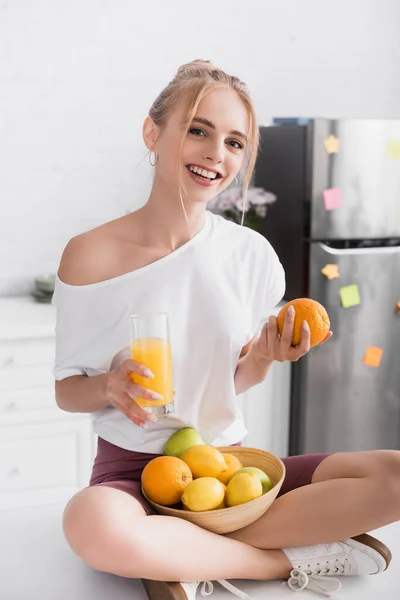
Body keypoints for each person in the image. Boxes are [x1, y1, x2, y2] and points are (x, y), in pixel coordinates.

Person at [53, 60, 399, 600]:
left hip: (229, 472)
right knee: (89, 523)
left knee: (395, 475)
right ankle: (282, 561)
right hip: (133, 476)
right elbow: (65, 391)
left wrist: (264, 355)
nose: (217, 153)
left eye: (235, 142)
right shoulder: (90, 255)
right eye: (198, 130)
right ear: (153, 132)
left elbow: (235, 379)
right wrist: (108, 386)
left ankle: (181, 554)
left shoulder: (251, 255)